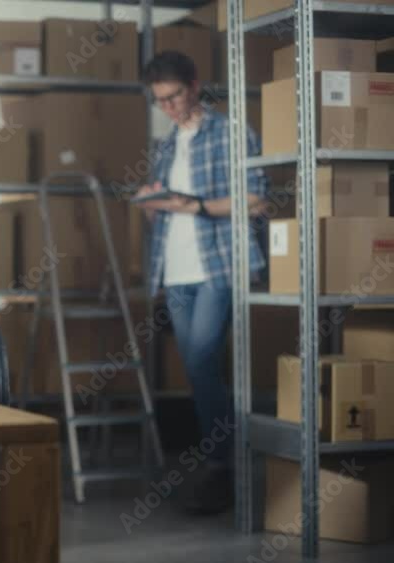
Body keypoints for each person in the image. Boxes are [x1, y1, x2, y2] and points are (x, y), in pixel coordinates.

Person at [133, 51, 267, 513]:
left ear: (193, 85)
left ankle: (222, 469)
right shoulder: (167, 144)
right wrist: (154, 203)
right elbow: (166, 212)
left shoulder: (232, 133)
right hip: (176, 271)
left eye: (173, 97)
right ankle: (223, 467)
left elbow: (256, 198)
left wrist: (195, 205)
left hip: (218, 267)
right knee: (198, 370)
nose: (168, 108)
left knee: (203, 356)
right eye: (160, 102)